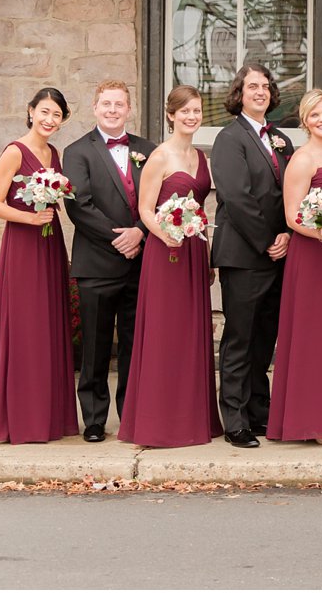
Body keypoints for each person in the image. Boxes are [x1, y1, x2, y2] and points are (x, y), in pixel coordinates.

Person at [118, 86, 224, 448]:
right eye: (185, 111)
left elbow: (201, 210)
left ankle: (191, 418)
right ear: (171, 115)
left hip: (194, 250)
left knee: (192, 333)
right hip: (166, 253)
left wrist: (206, 256)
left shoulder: (201, 156)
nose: (192, 117)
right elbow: (145, 210)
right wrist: (165, 236)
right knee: (165, 333)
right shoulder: (159, 157)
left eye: (197, 111)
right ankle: (158, 423)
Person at [0, 87, 80, 444]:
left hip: (50, 241)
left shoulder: (53, 153)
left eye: (56, 115)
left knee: (49, 324)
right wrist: (29, 219)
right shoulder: (14, 151)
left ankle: (50, 417)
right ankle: (23, 420)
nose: (50, 120)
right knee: (26, 326)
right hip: (24, 245)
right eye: (45, 112)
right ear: (31, 111)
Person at [63, 79, 156, 442]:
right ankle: (95, 420)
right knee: (96, 347)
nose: (113, 110)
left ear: (129, 109)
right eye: (106, 104)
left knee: (135, 346)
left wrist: (140, 232)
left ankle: (131, 416)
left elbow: (159, 198)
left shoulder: (148, 149)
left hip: (140, 262)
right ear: (95, 107)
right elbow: (79, 206)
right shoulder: (76, 151)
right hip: (98, 263)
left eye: (119, 104)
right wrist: (121, 239)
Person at [266, 90, 322, 444]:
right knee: (313, 332)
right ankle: (310, 420)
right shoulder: (302, 160)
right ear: (305, 121)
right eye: (315, 115)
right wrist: (319, 232)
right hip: (313, 253)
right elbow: (291, 216)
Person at [210, 64, 295, 448]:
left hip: (279, 252)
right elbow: (236, 197)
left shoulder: (281, 140)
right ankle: (235, 417)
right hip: (244, 254)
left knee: (265, 338)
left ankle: (260, 411)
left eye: (265, 86)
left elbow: (291, 194)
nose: (260, 92)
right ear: (239, 94)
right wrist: (267, 240)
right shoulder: (230, 139)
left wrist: (288, 234)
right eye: (252, 86)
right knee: (240, 339)